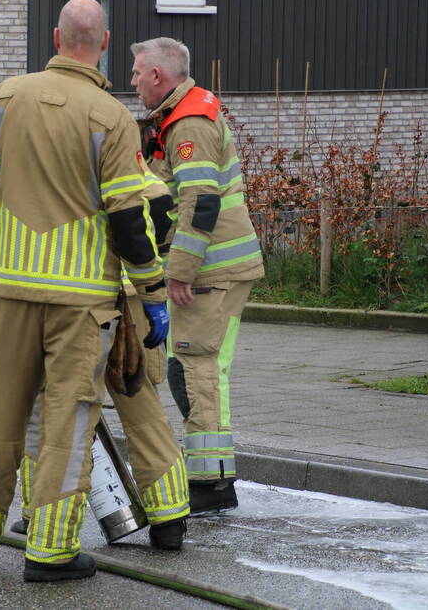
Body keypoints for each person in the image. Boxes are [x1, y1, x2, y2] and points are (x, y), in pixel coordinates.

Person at [0, 0, 169, 582]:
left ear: (54, 36)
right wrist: (151, 291)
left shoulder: (5, 98)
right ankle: (50, 553)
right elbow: (129, 217)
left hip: (13, 293)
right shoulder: (111, 117)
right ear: (105, 43)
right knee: (67, 425)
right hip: (80, 306)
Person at [10, 171, 190, 550]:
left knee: (52, 411)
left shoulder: (50, 165)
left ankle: (38, 515)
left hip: (73, 307)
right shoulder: (131, 165)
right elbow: (158, 211)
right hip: (130, 300)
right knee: (142, 408)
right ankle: (169, 517)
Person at [129, 37, 265, 514]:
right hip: (216, 267)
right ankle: (212, 480)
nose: (132, 80)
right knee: (202, 368)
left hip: (209, 271)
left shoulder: (188, 123)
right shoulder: (181, 116)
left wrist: (180, 272)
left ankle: (208, 486)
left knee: (193, 367)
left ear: (158, 76)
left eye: (136, 72)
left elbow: (200, 201)